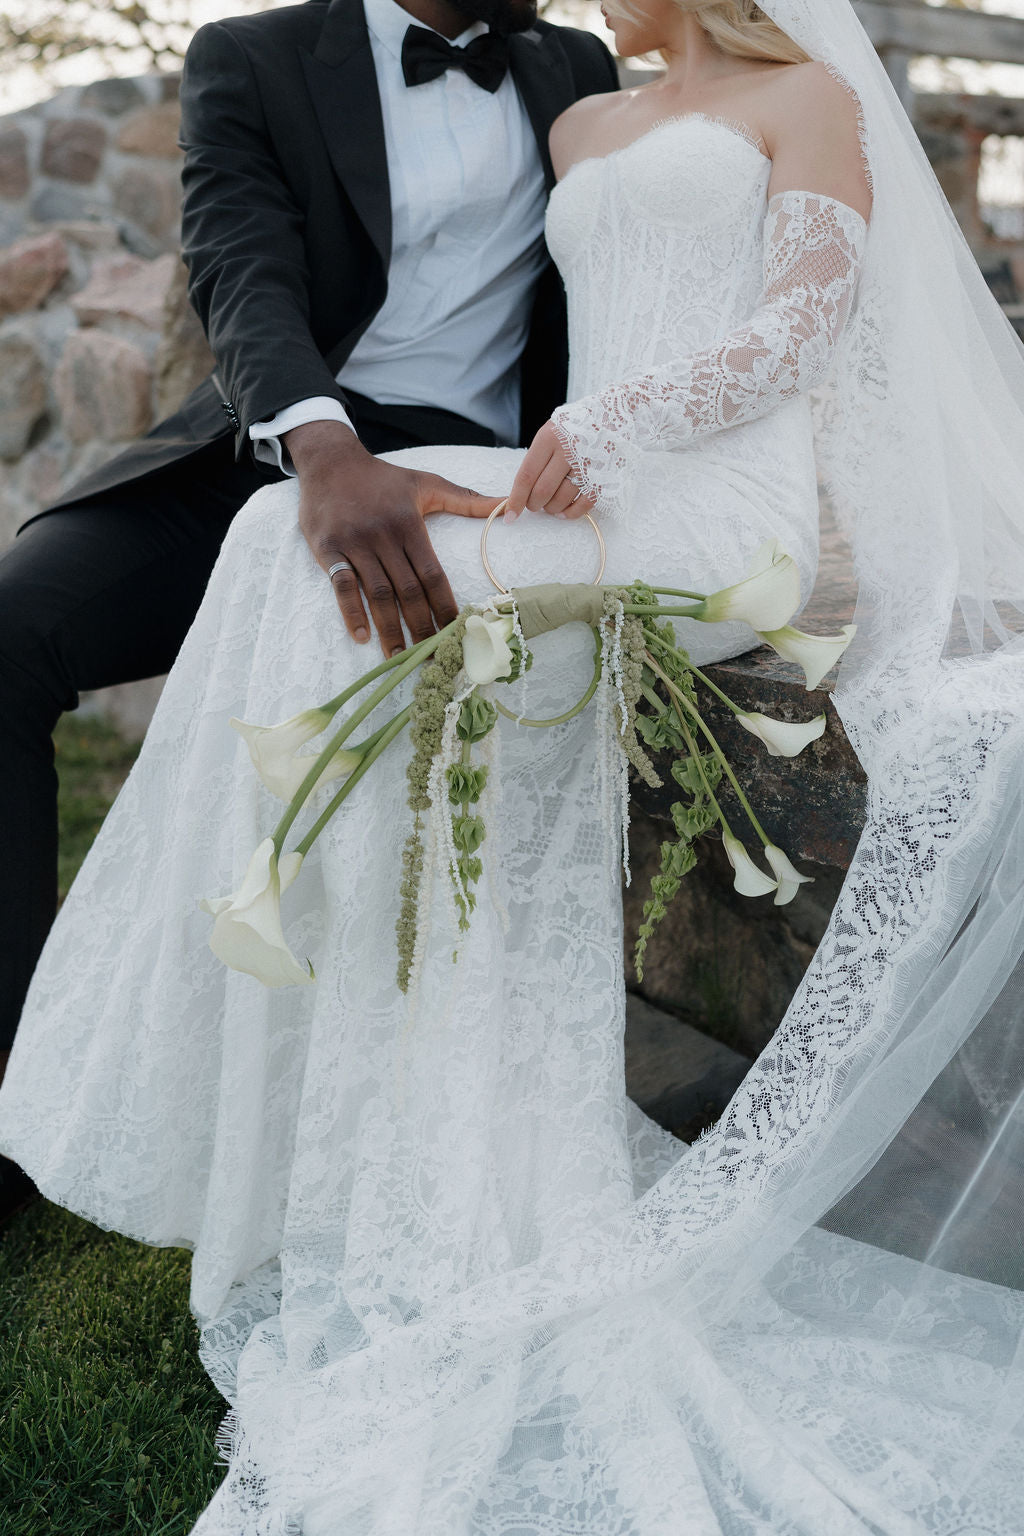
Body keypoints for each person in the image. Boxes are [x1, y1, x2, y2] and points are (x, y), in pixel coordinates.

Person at [4, 0, 1024, 1531]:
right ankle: (247, 1063)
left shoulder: (713, 85)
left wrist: (626, 428)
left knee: (302, 588)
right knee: (197, 570)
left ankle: (341, 1030)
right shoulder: (437, 87)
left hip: (642, 478)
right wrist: (338, 447)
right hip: (375, 443)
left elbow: (803, 318)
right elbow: (250, 272)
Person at [0, 0, 619, 1215]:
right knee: (14, 637)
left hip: (486, 476)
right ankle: (19, 1095)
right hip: (282, 447)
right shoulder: (253, 55)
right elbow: (240, 265)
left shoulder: (577, 67)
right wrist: (324, 452)